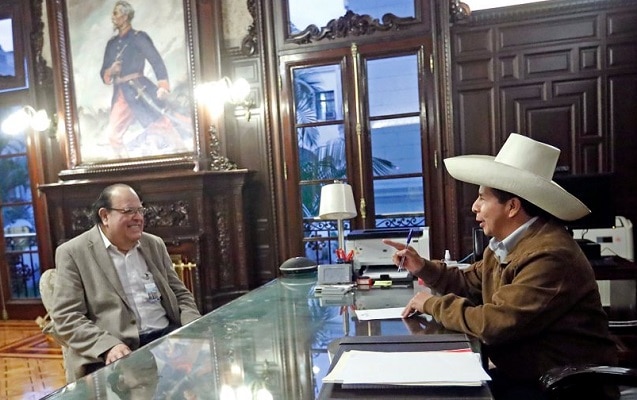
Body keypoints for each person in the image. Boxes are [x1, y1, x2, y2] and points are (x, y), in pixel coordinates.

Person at [383, 133, 617, 399]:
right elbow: (469, 283)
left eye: (482, 198)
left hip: (565, 386)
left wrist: (431, 304)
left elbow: (494, 324)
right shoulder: (508, 245)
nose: (474, 207)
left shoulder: (550, 255)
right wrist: (422, 266)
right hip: (531, 374)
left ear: (512, 207)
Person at [51, 183, 201, 383]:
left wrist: (193, 327)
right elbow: (66, 316)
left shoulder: (154, 244)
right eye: (129, 211)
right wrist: (108, 346)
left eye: (140, 210)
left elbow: (180, 294)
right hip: (118, 349)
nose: (138, 217)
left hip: (166, 340)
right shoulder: (73, 252)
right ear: (105, 216)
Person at [100, 1, 187, 158]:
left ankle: (184, 155)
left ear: (125, 16)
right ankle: (125, 167)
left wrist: (163, 86)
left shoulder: (138, 37)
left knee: (162, 125)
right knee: (113, 135)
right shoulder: (111, 44)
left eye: (116, 13)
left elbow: (156, 61)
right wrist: (110, 71)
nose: (113, 17)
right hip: (121, 94)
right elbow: (104, 72)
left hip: (139, 89)